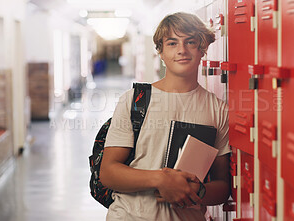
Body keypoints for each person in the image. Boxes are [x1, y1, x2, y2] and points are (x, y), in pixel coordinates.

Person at [99, 12, 231, 220]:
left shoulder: (218, 110)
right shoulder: (135, 100)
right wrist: (160, 180)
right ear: (160, 52)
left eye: (190, 42)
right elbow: (108, 172)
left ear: (202, 49)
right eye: (172, 43)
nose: (182, 50)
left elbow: (223, 186)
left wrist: (198, 191)